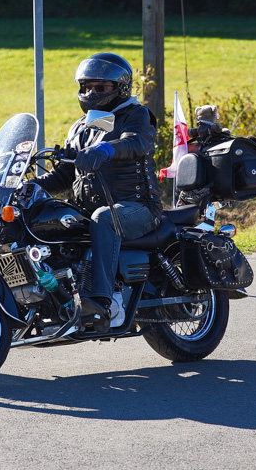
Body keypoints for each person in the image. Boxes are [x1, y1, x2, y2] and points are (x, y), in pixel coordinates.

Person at [32, 53, 162, 333]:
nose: (91, 93)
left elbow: (137, 142)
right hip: (88, 210)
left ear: (120, 88)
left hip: (136, 207)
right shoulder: (80, 127)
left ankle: (100, 302)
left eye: (100, 88)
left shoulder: (135, 114)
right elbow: (62, 176)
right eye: (86, 87)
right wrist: (31, 185)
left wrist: (107, 148)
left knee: (104, 218)